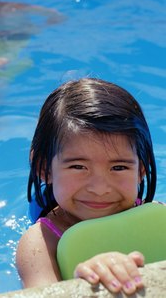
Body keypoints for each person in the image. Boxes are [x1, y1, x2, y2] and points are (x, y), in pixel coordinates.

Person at [16, 78, 159, 295]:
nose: (100, 189)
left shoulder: (156, 218)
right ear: (44, 168)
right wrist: (82, 286)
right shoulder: (40, 245)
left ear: (140, 171)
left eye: (119, 167)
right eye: (78, 166)